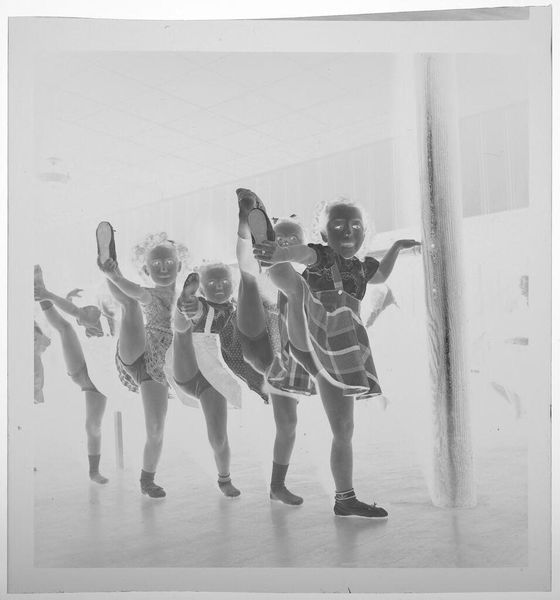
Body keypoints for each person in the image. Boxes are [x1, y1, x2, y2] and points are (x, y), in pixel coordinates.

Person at [252, 196, 421, 518]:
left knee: (344, 428)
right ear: (324, 234)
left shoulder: (361, 267)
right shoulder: (323, 254)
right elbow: (304, 253)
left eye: (356, 226)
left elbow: (380, 276)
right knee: (296, 288)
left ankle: (345, 499)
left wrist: (397, 247)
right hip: (314, 335)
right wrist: (282, 253)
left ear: (364, 233)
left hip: (341, 347)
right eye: (339, 226)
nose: (348, 231)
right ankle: (267, 251)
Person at [234, 189, 317, 505]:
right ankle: (248, 219)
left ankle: (277, 486)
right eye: (278, 239)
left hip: (286, 363)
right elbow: (245, 261)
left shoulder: (308, 277)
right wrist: (247, 227)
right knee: (249, 276)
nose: (285, 243)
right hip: (257, 342)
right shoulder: (265, 267)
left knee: (288, 424)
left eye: (292, 240)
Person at [96, 225, 187, 498]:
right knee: (131, 304)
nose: (163, 267)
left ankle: (147, 480)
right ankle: (107, 263)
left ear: (179, 266)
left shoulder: (188, 297)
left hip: (156, 372)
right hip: (137, 353)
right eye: (156, 264)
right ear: (147, 270)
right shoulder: (150, 293)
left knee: (156, 429)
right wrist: (113, 274)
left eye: (168, 262)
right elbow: (133, 291)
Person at [34, 265, 109, 484]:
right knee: (64, 328)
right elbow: (74, 314)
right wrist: (61, 298)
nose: (83, 313)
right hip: (85, 373)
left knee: (93, 425)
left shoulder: (101, 318)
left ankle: (94, 471)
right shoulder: (85, 321)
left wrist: (51, 295)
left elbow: (79, 313)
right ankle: (93, 471)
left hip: (103, 379)